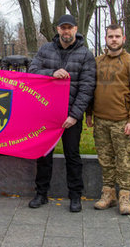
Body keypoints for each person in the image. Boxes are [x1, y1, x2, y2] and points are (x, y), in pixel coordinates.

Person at [27, 14, 96, 213]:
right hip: (46, 114)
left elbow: (87, 87)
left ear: (76, 29)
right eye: (63, 28)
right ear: (58, 30)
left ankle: (75, 196)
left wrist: (74, 115)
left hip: (70, 117)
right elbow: (32, 71)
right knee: (44, 155)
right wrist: (52, 73)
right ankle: (41, 193)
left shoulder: (85, 54)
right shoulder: (45, 49)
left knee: (72, 156)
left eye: (70, 28)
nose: (66, 31)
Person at [85, 23, 130, 215]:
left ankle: (125, 196)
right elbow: (91, 89)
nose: (114, 40)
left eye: (117, 36)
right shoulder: (97, 61)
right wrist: (90, 113)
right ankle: (108, 193)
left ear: (123, 38)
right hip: (101, 121)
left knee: (123, 160)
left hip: (122, 121)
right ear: (106, 39)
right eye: (111, 37)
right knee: (105, 160)